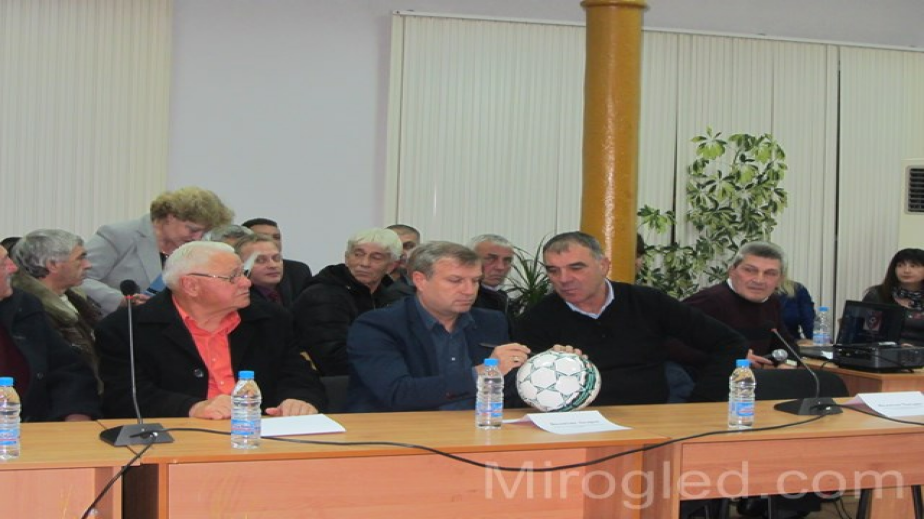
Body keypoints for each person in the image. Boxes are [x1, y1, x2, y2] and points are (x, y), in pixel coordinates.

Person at [95, 241, 327, 419]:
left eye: (244, 274)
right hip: (177, 439)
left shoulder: (270, 319)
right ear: (191, 285)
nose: (246, 283)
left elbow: (298, 375)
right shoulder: (127, 329)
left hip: (258, 434)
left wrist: (299, 399)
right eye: (233, 277)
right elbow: (124, 396)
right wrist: (193, 407)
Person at [515, 231, 746, 406]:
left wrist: (701, 403)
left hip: (651, 421)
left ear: (603, 265)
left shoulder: (647, 302)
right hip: (577, 425)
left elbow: (730, 343)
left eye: (576, 268)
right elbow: (523, 389)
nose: (564, 279)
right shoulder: (537, 319)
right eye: (553, 270)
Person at [347, 241, 531, 412]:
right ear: (420, 281)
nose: (469, 291)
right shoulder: (377, 326)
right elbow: (397, 393)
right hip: (400, 429)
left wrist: (543, 373)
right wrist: (482, 373)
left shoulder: (492, 322)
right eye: (455, 280)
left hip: (480, 426)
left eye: (475, 281)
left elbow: (509, 390)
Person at [83, 187, 234, 315]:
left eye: (204, 231)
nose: (198, 237)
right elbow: (80, 279)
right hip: (114, 328)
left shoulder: (194, 249)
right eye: (192, 229)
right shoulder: (118, 235)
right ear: (170, 217)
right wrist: (120, 300)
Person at [0, 245, 100, 422]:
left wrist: (76, 413)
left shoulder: (23, 305)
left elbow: (68, 369)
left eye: (8, 258)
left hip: (38, 426)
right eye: (3, 263)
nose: (13, 268)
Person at [292, 228, 407, 376]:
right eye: (358, 254)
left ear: (391, 266)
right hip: (328, 382)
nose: (364, 263)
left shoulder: (391, 298)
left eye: (376, 257)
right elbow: (333, 360)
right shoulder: (323, 296)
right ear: (346, 258)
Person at [671, 241, 796, 370]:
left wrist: (788, 364)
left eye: (770, 273)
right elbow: (669, 344)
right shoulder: (708, 301)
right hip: (703, 379)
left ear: (780, 279)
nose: (759, 280)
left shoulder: (771, 302)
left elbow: (786, 344)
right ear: (732, 271)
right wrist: (732, 355)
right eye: (749, 270)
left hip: (749, 379)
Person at [10, 229, 102, 387]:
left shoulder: (78, 300)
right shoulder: (28, 311)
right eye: (80, 258)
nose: (88, 265)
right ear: (52, 265)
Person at [863, 248, 924, 346]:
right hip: (885, 352)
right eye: (900, 265)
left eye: (913, 266)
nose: (906, 270)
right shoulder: (878, 295)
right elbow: (867, 333)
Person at [241, 217, 313, 298]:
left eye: (276, 237)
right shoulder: (239, 292)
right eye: (260, 260)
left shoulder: (298, 272)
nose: (271, 241)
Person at [233, 233, 293, 307]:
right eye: (260, 260)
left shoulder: (296, 286)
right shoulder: (240, 302)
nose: (273, 265)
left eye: (276, 258)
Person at [469, 234, 515, 320]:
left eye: (507, 260)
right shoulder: (463, 300)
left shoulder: (503, 298)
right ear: (470, 261)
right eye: (490, 259)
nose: (500, 267)